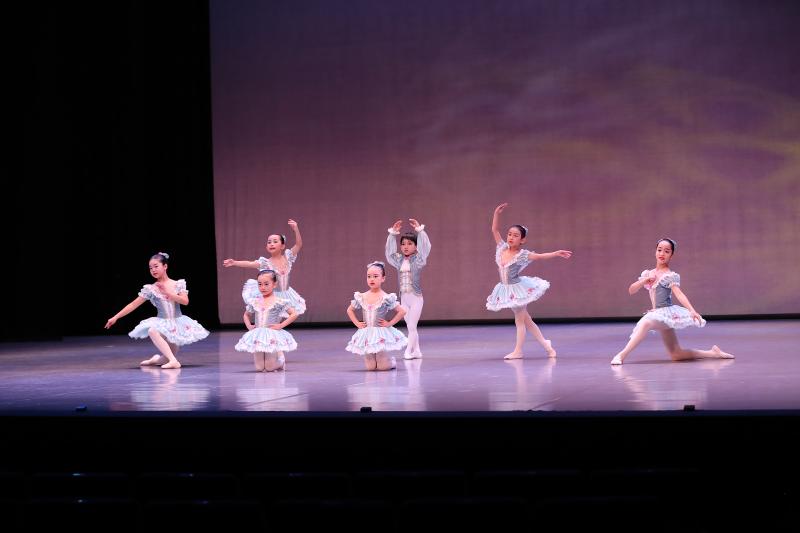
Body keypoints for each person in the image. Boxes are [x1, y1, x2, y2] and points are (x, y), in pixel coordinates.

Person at [611, 238, 734, 365]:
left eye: (666, 251)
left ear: (671, 255)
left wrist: (692, 310)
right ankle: (713, 353)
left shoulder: (670, 276)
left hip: (665, 313)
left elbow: (679, 294)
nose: (662, 254)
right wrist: (645, 280)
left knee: (646, 323)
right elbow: (631, 290)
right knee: (676, 354)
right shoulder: (648, 273)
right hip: (659, 315)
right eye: (659, 250)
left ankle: (621, 355)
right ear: (655, 252)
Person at [487, 203, 572, 359]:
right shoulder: (502, 248)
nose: (511, 237)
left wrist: (555, 253)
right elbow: (494, 230)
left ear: (522, 240)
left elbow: (539, 256)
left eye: (515, 235)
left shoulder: (522, 255)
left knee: (519, 321)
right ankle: (547, 346)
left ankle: (518, 351)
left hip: (518, 290)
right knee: (528, 321)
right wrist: (496, 214)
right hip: (506, 289)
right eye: (509, 234)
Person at [105, 252, 209, 369]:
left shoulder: (178, 284)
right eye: (150, 268)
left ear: (165, 266)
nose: (153, 270)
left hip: (177, 324)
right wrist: (116, 317)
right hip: (162, 323)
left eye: (156, 266)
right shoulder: (151, 289)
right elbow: (133, 304)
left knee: (165, 358)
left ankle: (156, 360)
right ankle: (174, 361)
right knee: (152, 331)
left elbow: (185, 301)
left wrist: (167, 293)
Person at [223, 219, 306, 315]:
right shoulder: (265, 263)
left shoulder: (288, 257)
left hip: (286, 293)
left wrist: (296, 229)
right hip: (271, 294)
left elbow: (298, 245)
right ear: (267, 247)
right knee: (271, 315)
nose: (271, 244)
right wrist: (234, 262)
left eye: (275, 241)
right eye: (269, 242)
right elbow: (250, 263)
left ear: (282, 246)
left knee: (287, 313)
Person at [346, 262, 407, 371]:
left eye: (375, 276)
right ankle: (375, 360)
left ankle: (392, 362)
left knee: (382, 367)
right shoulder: (362, 296)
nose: (371, 279)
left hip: (380, 333)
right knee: (370, 367)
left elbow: (402, 311)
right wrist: (357, 323)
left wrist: (389, 323)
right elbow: (349, 310)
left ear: (383, 278)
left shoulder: (385, 297)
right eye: (369, 276)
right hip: (366, 333)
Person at [385, 218, 431, 359]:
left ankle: (408, 351)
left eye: (410, 244)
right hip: (404, 298)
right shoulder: (399, 260)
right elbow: (389, 254)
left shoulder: (418, 259)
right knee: (411, 327)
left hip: (416, 298)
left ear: (416, 247)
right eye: (403, 244)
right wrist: (392, 234)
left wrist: (420, 231)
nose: (406, 246)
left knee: (411, 326)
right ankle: (417, 351)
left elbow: (426, 248)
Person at [235, 269, 298, 371]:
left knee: (269, 367)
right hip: (258, 334)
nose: (262, 287)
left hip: (271, 334)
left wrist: (280, 325)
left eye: (266, 284)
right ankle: (272, 359)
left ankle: (281, 360)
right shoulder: (255, 301)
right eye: (260, 284)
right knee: (259, 368)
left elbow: (294, 314)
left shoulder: (279, 301)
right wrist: (249, 326)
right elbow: (246, 315)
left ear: (274, 284)